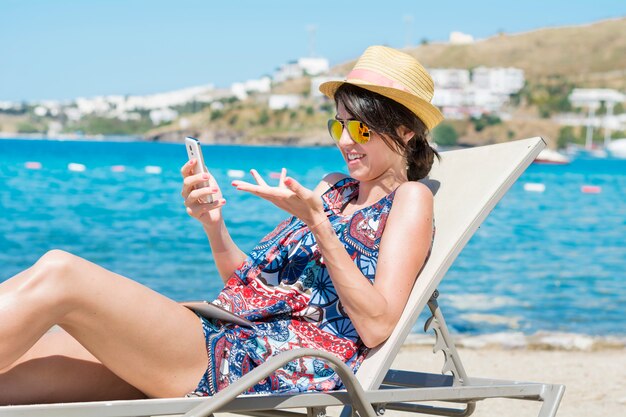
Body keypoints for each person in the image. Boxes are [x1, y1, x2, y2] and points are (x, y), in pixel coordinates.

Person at [0, 45, 443, 404]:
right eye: (339, 126)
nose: (346, 142)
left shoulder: (410, 200)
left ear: (405, 131)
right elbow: (247, 288)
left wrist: (319, 228)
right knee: (13, 381)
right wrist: (214, 225)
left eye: (362, 130)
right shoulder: (333, 189)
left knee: (61, 273)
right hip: (220, 332)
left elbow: (377, 325)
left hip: (254, 364)